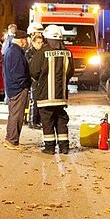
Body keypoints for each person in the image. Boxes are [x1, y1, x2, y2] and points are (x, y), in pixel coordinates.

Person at [31, 25, 73, 154]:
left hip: (45, 95)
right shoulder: (68, 53)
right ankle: (64, 147)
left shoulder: (42, 53)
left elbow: (34, 72)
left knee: (47, 120)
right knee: (61, 120)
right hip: (61, 95)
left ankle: (49, 147)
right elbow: (70, 72)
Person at [3, 30, 32, 148]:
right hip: (18, 88)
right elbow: (17, 72)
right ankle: (12, 140)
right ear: (22, 40)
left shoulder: (11, 50)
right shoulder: (16, 52)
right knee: (16, 115)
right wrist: (24, 85)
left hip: (13, 87)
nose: (27, 42)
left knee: (14, 114)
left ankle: (10, 138)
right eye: (26, 39)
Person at [25, 33, 45, 129]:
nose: (40, 44)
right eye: (38, 42)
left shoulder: (43, 52)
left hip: (40, 80)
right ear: (33, 43)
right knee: (34, 101)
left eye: (41, 42)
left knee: (40, 101)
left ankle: (38, 120)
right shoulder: (29, 53)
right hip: (33, 80)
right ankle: (32, 121)